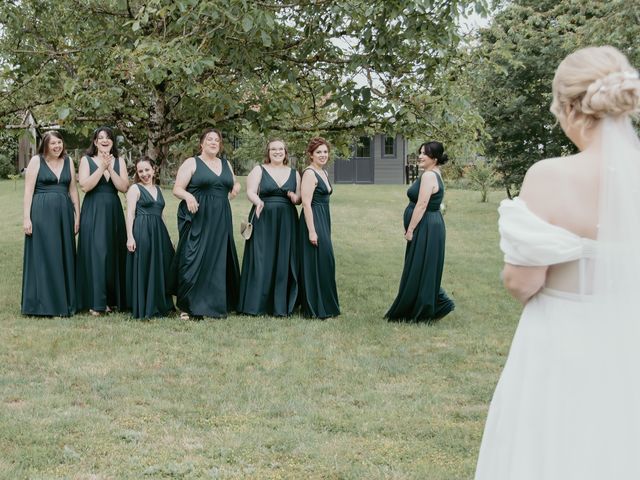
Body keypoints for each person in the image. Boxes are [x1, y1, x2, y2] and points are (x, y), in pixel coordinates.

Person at [475, 46, 640, 479]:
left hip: (561, 341)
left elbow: (522, 282)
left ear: (568, 107)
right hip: (629, 340)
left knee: (550, 445)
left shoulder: (551, 175)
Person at [172, 128, 241, 319]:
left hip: (221, 218)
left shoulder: (225, 163)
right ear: (201, 144)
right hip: (198, 216)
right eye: (209, 139)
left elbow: (233, 183)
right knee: (193, 257)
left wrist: (236, 187)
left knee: (218, 258)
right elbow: (177, 188)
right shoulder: (192, 162)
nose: (213, 142)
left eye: (216, 140)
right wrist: (188, 196)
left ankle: (216, 303)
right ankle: (188, 305)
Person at [385, 141, 454, 322]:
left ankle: (432, 305)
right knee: (423, 266)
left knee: (420, 266)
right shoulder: (433, 173)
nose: (421, 156)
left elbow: (422, 204)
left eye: (425, 154)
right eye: (421, 152)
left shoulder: (429, 176)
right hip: (431, 225)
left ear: (435, 158)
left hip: (426, 226)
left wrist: (411, 229)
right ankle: (436, 302)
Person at [237, 139, 301, 316]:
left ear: (286, 152)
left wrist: (294, 197)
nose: (277, 152)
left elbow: (299, 198)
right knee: (261, 257)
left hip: (287, 220)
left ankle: (280, 304)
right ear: (268, 152)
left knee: (283, 258)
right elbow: (250, 191)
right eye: (273, 149)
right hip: (263, 215)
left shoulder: (294, 173)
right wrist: (258, 201)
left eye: (281, 149)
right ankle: (255, 304)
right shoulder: (259, 169)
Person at [21, 131, 80, 316]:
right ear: (45, 145)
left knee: (63, 255)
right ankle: (42, 304)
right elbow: (28, 191)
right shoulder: (36, 161)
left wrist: (77, 216)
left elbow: (73, 191)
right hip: (41, 214)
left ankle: (65, 302)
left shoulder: (69, 161)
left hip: (64, 215)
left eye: (59, 142)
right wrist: (26, 218)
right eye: (53, 143)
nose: (57, 146)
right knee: (45, 255)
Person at [76, 126, 129, 315]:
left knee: (114, 252)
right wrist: (101, 167)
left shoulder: (120, 161)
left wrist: (110, 167)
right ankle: (96, 302)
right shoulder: (86, 160)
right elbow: (85, 186)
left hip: (113, 211)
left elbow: (124, 187)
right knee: (97, 253)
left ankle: (113, 300)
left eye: (108, 138)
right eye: (100, 138)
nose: (104, 140)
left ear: (113, 142)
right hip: (94, 210)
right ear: (95, 142)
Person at [125, 158, 175, 319]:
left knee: (159, 267)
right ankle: (145, 305)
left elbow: (161, 216)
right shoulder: (135, 188)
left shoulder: (159, 189)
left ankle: (160, 304)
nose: (144, 174)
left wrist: (167, 237)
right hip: (142, 230)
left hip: (159, 232)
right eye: (140, 171)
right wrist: (130, 237)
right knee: (145, 266)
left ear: (154, 170)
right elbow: (130, 213)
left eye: (147, 170)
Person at [298, 137, 340, 319]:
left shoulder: (323, 172)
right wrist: (312, 230)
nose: (323, 155)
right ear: (311, 155)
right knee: (317, 260)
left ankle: (326, 303)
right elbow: (306, 204)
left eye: (325, 152)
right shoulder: (309, 173)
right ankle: (314, 306)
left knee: (325, 262)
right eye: (319, 152)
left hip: (324, 218)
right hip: (313, 219)